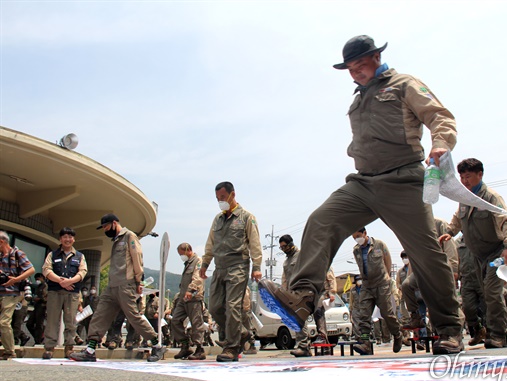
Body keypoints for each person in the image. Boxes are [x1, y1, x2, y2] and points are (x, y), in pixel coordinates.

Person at [259, 34, 464, 355]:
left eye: (359, 65)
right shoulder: (359, 97)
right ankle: (301, 300)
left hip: (404, 179)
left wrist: (441, 144)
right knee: (321, 221)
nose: (354, 72)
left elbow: (440, 116)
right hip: (363, 182)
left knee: (425, 253)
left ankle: (450, 328)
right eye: (349, 69)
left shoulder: (403, 83)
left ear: (376, 57)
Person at [440, 158, 507, 349]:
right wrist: (449, 232)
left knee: (493, 293)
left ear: (480, 175)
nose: (464, 181)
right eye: (461, 177)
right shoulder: (464, 199)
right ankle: (492, 329)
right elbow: (457, 220)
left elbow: (506, 221)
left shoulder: (491, 197)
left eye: (468, 176)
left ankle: (499, 335)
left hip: (496, 254)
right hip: (477, 256)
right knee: (485, 294)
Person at [69, 214, 168, 362]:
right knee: (100, 315)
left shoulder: (129, 236)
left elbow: (137, 258)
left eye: (106, 226)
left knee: (133, 317)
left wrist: (139, 281)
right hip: (112, 286)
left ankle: (157, 345)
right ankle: (90, 351)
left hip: (126, 285)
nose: (105, 230)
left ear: (114, 223)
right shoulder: (115, 240)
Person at [199, 182, 262, 362]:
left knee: (233, 305)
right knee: (215, 307)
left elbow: (255, 244)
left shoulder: (246, 217)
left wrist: (257, 267)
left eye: (223, 197)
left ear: (232, 194)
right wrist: (205, 264)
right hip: (219, 267)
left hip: (238, 266)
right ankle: (242, 333)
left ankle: (232, 347)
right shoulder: (217, 219)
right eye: (218, 198)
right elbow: (210, 243)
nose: (220, 201)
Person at [350, 227, 402, 355]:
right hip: (367, 285)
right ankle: (365, 343)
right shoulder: (356, 250)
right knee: (363, 315)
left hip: (381, 284)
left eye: (358, 236)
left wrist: (387, 277)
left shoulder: (379, 245)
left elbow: (387, 260)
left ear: (365, 233)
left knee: (387, 313)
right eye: (354, 237)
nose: (357, 239)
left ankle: (397, 335)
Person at [41, 227, 88, 359]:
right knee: (52, 320)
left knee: (71, 321)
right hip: (54, 292)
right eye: (65, 237)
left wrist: (71, 281)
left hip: (72, 294)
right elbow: (46, 270)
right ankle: (49, 348)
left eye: (70, 237)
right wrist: (60, 281)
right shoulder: (52, 254)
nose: (67, 239)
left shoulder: (79, 256)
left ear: (74, 239)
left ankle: (69, 348)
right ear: (60, 239)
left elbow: (82, 272)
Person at [0, 230, 35, 360]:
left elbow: (31, 269)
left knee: (4, 322)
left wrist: (15, 279)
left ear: (1, 242)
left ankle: (10, 351)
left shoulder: (17, 253)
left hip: (12, 292)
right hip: (1, 292)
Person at [171, 243, 206, 361]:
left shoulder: (198, 261)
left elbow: (198, 277)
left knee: (196, 323)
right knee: (175, 320)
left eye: (182, 254)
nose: (181, 256)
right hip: (183, 298)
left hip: (193, 297)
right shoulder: (187, 263)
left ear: (188, 250)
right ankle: (185, 345)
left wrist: (191, 289)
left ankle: (200, 349)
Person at [279, 234, 311, 357]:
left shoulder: (302, 256)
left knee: (300, 317)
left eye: (285, 246)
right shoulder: (286, 261)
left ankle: (304, 346)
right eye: (281, 248)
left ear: (291, 243)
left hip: (303, 291)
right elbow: (285, 278)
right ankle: (302, 345)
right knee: (296, 319)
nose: (284, 249)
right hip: (292, 292)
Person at [456, 236, 487, 346]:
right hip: (466, 280)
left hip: (481, 277)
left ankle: (491, 334)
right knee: (468, 309)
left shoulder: (481, 236)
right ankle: (478, 329)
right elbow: (456, 261)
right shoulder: (458, 242)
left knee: (487, 308)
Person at [27, 272, 47, 345]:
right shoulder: (38, 286)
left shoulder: (45, 286)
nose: (37, 280)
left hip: (42, 306)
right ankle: (38, 337)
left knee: (39, 324)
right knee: (29, 324)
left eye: (38, 279)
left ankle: (38, 341)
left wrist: (40, 299)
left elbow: (46, 297)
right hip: (36, 306)